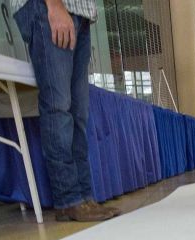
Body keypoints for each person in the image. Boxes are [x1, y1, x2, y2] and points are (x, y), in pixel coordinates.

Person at [11, 0, 117, 222]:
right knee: (58, 108)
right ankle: (68, 199)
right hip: (50, 8)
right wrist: (54, 5)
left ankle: (84, 196)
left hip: (79, 13)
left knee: (78, 114)